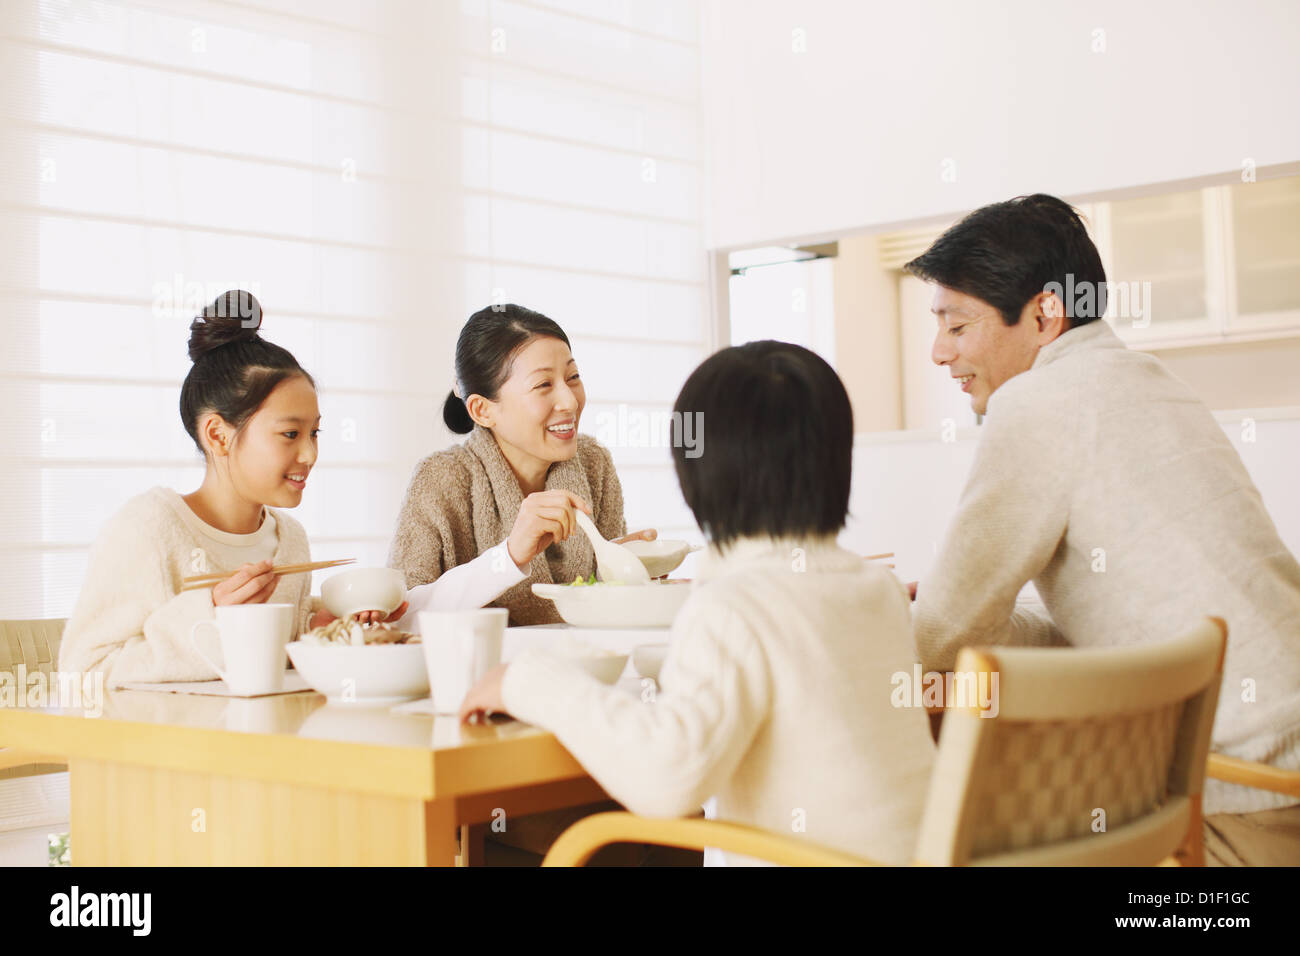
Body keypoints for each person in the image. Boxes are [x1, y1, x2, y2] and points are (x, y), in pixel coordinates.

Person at [904, 193, 1300, 865]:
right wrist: (988, 620)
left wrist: (874, 618)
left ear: (1043, 313)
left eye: (957, 325)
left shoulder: (1037, 405)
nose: (939, 352)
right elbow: (1120, 619)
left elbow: (939, 641)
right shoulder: (1148, 381)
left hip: (1243, 812)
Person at [461, 341, 937, 866]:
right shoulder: (879, 589)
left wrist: (523, 681)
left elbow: (665, 777)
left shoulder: (734, 607)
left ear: (698, 480)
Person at [59, 291, 394, 685]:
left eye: (314, 433)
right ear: (217, 435)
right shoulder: (148, 529)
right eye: (290, 433)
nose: (310, 454)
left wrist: (326, 628)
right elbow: (81, 674)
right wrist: (210, 613)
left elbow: (267, 669)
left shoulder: (290, 541)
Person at [388, 304, 654, 629]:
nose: (570, 401)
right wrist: (510, 556)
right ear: (482, 410)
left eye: (573, 377)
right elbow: (399, 619)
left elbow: (610, 608)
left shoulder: (593, 462)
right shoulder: (441, 479)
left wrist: (634, 570)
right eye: (543, 385)